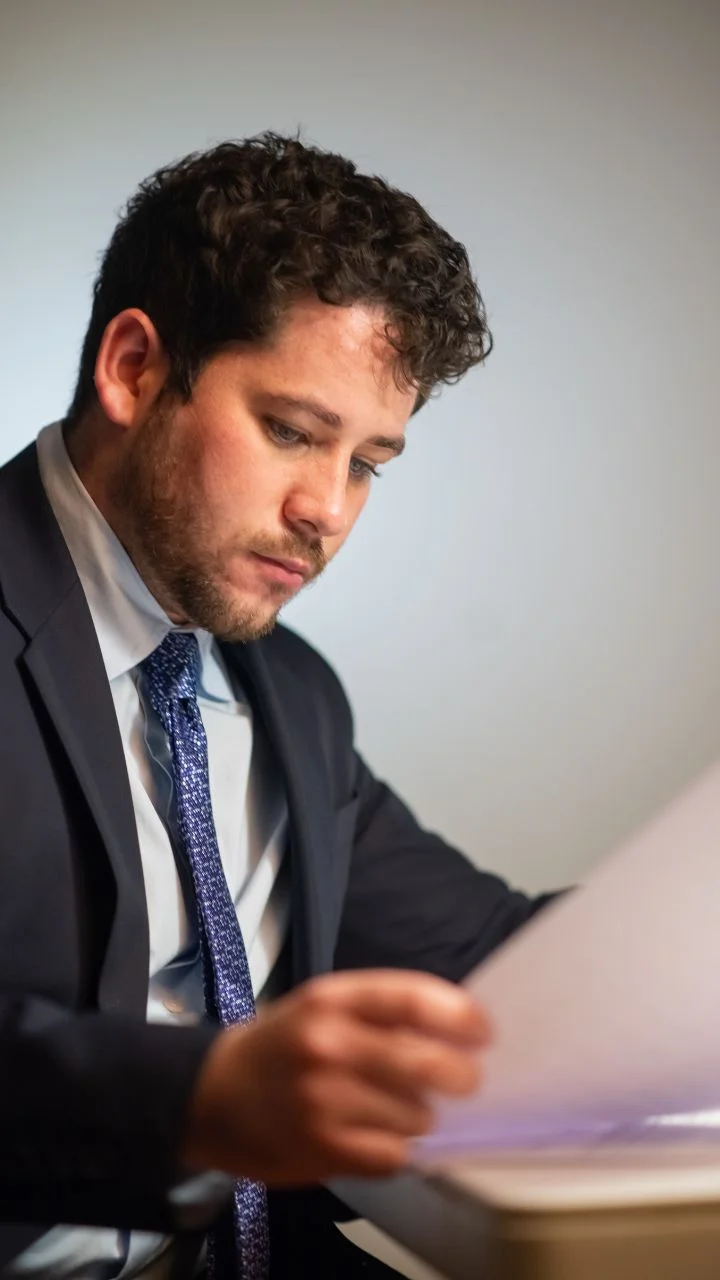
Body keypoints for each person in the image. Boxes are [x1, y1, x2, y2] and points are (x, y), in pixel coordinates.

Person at [0, 133, 553, 1279]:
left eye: (368, 462)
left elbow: (491, 959)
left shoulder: (291, 694)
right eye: (294, 431)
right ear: (136, 367)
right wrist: (200, 1099)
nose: (328, 509)